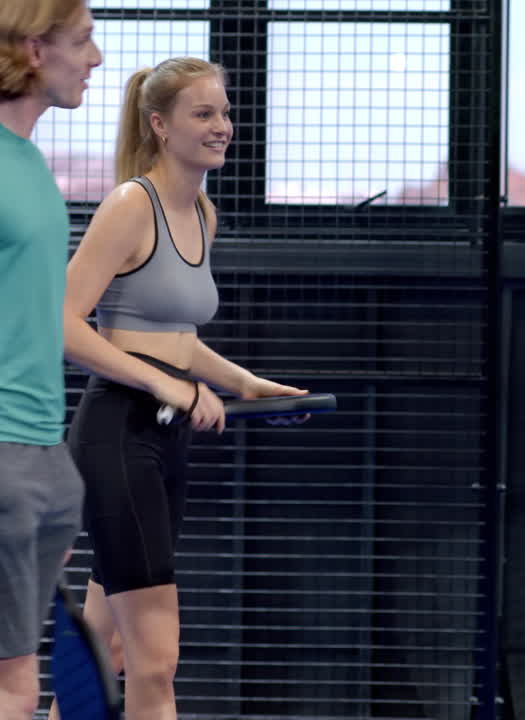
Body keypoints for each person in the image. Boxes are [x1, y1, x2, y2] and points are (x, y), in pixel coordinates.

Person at [54, 57, 306, 720]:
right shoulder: (130, 205)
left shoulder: (200, 211)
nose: (222, 126)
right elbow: (65, 325)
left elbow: (175, 335)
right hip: (119, 434)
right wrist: (169, 388)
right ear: (160, 125)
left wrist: (244, 383)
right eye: (203, 114)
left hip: (167, 439)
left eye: (224, 112)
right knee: (155, 660)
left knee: (107, 648)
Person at [0, 2, 99, 718]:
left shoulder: (30, 163)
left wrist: (53, 477)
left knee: (16, 679)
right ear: (35, 50)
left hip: (41, 457)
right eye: (83, 41)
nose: (95, 59)